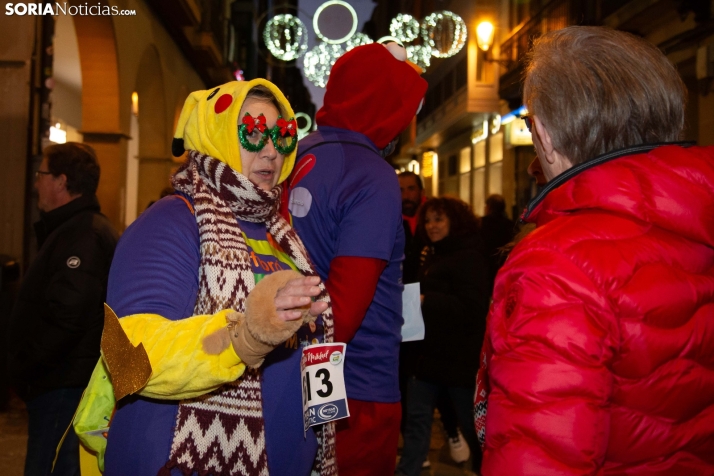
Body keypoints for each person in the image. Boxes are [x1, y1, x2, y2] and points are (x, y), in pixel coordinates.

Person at [477, 26, 714, 474]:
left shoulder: (555, 266)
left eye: (529, 123)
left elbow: (539, 454)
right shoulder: (696, 219)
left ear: (544, 132)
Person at [100, 79, 336, 476]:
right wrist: (244, 337)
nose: (270, 151)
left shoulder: (283, 234)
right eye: (252, 132)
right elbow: (129, 359)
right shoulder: (172, 221)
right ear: (217, 135)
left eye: (281, 136)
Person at [286, 43, 427, 475]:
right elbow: (343, 312)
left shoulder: (298, 156)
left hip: (292, 373)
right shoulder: (372, 175)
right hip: (356, 389)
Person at [6, 142, 118, 476]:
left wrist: (25, 365)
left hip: (64, 387)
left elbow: (66, 316)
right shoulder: (75, 230)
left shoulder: (82, 235)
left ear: (61, 181)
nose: (37, 183)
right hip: (62, 384)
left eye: (42, 174)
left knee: (51, 467)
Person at [396, 197, 489, 476]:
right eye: (428, 220)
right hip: (426, 360)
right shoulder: (431, 253)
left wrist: (426, 299)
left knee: (474, 428)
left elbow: (473, 309)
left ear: (454, 221)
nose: (432, 226)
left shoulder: (470, 256)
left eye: (439, 219)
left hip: (458, 362)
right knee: (416, 427)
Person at [480, 194, 515, 293]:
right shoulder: (510, 225)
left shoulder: (481, 223)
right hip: (503, 267)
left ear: (489, 207)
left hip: (486, 269)